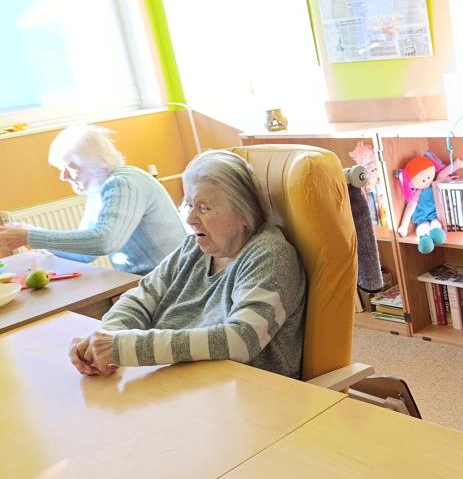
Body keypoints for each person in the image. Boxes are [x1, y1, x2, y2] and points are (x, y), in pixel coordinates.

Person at [68, 150, 306, 379]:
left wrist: (126, 347)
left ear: (244, 212)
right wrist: (104, 338)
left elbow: (241, 340)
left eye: (203, 207)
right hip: (177, 382)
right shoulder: (193, 248)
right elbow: (141, 298)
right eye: (190, 205)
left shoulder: (269, 255)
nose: (191, 219)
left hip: (244, 391)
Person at [0, 124, 186, 274]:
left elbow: (105, 241)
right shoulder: (99, 191)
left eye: (70, 167)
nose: (63, 176)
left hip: (174, 279)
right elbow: (84, 254)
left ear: (97, 162)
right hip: (151, 280)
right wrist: (32, 235)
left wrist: (31, 236)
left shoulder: (123, 183)